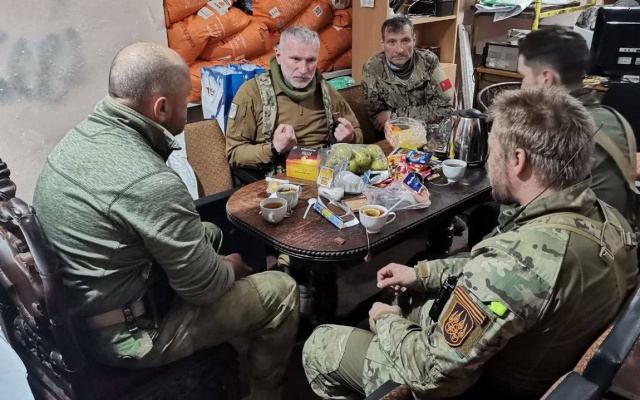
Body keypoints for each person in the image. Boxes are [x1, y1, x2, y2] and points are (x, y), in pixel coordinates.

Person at [302, 87, 638, 400]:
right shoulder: (611, 221)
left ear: (517, 160)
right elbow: (497, 268)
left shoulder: (518, 264)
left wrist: (387, 320)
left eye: (492, 151)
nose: (489, 162)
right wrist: (423, 274)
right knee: (412, 298)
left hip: (476, 385)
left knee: (320, 344)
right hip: (535, 355)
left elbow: (432, 373)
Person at [32, 42, 298, 400]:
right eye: (185, 99)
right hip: (130, 335)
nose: (187, 107)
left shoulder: (79, 138)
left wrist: (212, 262)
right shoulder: (150, 181)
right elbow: (205, 289)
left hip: (90, 301)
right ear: (161, 107)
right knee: (281, 290)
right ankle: (264, 394)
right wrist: (231, 268)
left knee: (209, 232)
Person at [469, 25, 639, 246]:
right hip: (617, 241)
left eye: (523, 76)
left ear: (546, 80)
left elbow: (518, 213)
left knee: (485, 218)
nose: (522, 85)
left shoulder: (553, 132)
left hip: (574, 246)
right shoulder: (615, 119)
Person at [225, 26, 363, 180]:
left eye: (311, 60)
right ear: (278, 55)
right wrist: (274, 148)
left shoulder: (326, 91)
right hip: (277, 182)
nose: (303, 69)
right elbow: (234, 153)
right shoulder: (252, 93)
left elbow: (357, 134)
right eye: (295, 59)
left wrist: (349, 137)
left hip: (323, 177)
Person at [361, 16, 454, 132]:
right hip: (393, 135)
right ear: (382, 44)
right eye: (392, 42)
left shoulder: (429, 61)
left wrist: (395, 115)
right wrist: (423, 114)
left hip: (431, 132)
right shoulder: (372, 68)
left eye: (405, 41)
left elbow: (445, 107)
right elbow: (378, 119)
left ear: (414, 40)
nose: (399, 50)